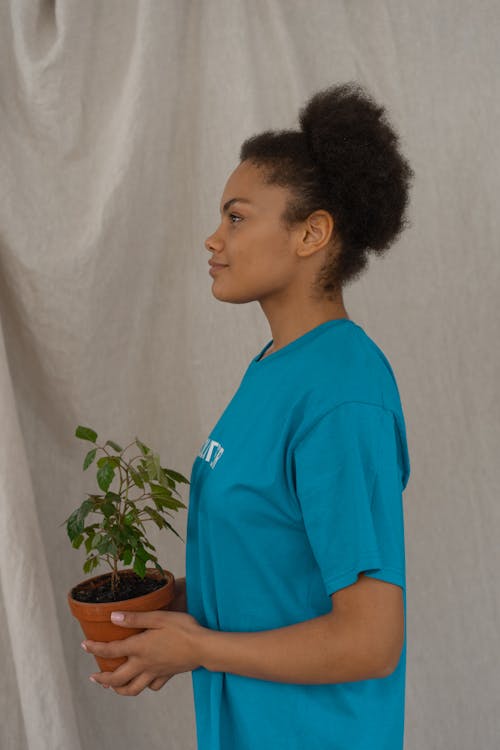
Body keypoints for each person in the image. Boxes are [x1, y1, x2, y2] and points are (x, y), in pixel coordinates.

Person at [83, 81, 414, 750]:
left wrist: (199, 647)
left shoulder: (341, 396)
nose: (214, 238)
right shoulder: (275, 367)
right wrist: (173, 610)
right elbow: (279, 555)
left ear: (312, 233)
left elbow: (370, 641)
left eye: (237, 217)